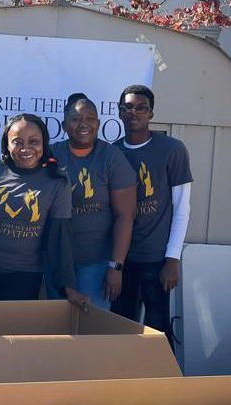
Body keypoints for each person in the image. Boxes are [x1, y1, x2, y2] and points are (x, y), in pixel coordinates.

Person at [0, 113, 79, 302]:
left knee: (16, 329)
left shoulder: (57, 181)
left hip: (25, 273)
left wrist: (67, 285)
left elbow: (59, 237)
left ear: (44, 144)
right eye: (17, 142)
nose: (26, 148)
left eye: (33, 142)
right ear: (6, 144)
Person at [110, 84, 193, 346]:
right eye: (128, 107)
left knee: (157, 330)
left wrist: (172, 258)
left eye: (141, 107)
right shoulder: (112, 152)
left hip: (156, 259)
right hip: (122, 259)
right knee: (121, 325)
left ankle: (161, 385)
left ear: (151, 113)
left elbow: (182, 207)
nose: (134, 112)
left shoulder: (172, 149)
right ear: (120, 112)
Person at [49, 93, 137, 310]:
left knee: (90, 328)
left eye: (90, 119)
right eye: (76, 119)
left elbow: (125, 216)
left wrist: (115, 267)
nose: (83, 124)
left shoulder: (112, 158)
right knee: (56, 329)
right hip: (57, 262)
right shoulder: (51, 155)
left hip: (96, 262)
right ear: (64, 125)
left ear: (98, 124)